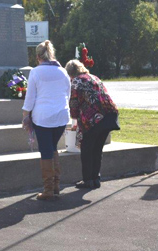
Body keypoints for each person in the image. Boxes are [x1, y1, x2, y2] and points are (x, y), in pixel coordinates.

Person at [22, 40, 71, 200]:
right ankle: (56, 185)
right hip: (61, 116)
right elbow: (68, 94)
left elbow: (30, 98)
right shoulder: (63, 71)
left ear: (38, 56)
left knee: (46, 152)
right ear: (52, 54)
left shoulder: (36, 72)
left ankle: (48, 190)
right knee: (52, 148)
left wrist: (25, 116)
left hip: (43, 117)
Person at [65, 59, 120, 189]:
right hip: (109, 115)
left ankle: (87, 180)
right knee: (97, 149)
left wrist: (74, 119)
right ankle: (96, 178)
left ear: (70, 73)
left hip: (94, 119)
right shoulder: (94, 77)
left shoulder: (77, 81)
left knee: (87, 149)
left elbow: (74, 103)